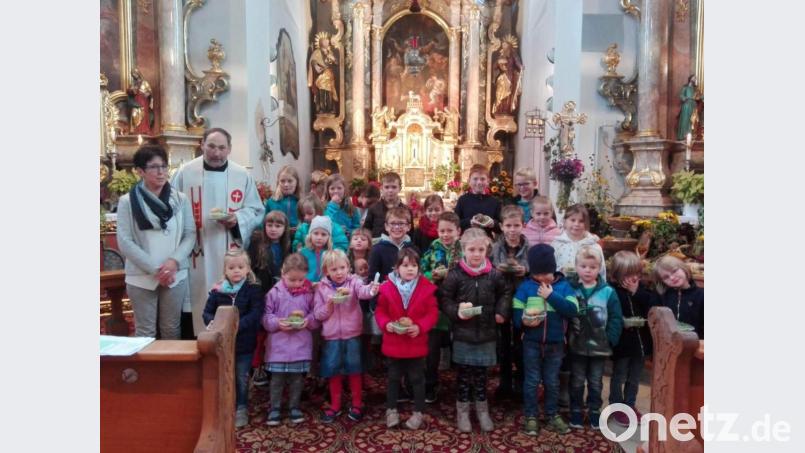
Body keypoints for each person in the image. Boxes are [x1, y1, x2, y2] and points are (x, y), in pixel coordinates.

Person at [172, 127, 265, 336]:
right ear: (202, 145)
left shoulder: (241, 175)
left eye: (222, 147)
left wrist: (237, 220)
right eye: (212, 146)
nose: (216, 153)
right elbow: (171, 207)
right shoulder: (185, 173)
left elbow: (256, 210)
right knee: (195, 309)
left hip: (229, 251)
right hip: (195, 251)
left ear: (229, 149)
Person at [117, 145, 196, 339]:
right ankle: (146, 371)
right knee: (145, 331)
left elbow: (190, 234)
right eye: (154, 167)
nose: (161, 172)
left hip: (175, 273)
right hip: (141, 274)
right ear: (140, 171)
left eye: (164, 166)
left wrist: (173, 262)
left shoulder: (181, 199)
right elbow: (125, 241)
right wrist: (157, 270)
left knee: (171, 329)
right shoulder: (128, 202)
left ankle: (172, 371)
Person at [441, 228, 512, 433]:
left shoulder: (494, 273)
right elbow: (444, 299)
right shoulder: (455, 274)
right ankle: (462, 410)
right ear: (463, 249)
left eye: (481, 249)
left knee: (482, 375)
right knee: (463, 375)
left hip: (487, 333)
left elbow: (506, 292)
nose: (476, 254)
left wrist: (501, 311)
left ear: (487, 250)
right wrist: (456, 311)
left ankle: (482, 409)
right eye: (471, 249)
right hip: (464, 333)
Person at [512, 244, 578, 436]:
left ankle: (551, 413)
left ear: (553, 268)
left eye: (546, 273)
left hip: (556, 343)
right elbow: (516, 317)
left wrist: (551, 296)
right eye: (538, 274)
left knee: (552, 381)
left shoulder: (564, 287)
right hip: (531, 343)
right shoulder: (525, 287)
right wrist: (524, 321)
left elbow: (572, 310)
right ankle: (531, 415)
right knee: (531, 380)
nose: (542, 278)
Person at [313, 249, 380, 423]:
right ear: (326, 271)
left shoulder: (354, 282)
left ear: (348, 267)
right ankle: (335, 405)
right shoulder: (321, 288)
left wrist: (373, 290)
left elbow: (364, 292)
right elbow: (318, 315)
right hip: (331, 336)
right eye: (334, 269)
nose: (339, 272)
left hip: (352, 334)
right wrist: (329, 305)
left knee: (354, 369)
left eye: (342, 268)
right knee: (333, 370)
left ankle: (357, 403)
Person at [375, 248, 439, 429]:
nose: (410, 269)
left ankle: (418, 411)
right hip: (394, 342)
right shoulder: (387, 287)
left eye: (414, 265)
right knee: (393, 378)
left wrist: (420, 326)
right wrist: (386, 323)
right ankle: (391, 409)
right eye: (405, 265)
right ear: (396, 268)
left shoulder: (426, 287)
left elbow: (432, 312)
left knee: (417, 379)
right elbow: (380, 310)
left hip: (415, 342)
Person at [202, 250, 264, 428]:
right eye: (231, 267)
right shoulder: (218, 291)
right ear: (225, 270)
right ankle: (225, 405)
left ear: (247, 269)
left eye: (240, 267)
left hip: (244, 342)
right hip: (222, 343)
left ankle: (242, 407)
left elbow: (256, 313)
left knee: (241, 376)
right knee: (224, 374)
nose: (236, 270)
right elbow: (207, 312)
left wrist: (236, 326)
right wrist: (212, 322)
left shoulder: (253, 289)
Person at [567, 246, 623, 430]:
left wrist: (610, 338)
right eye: (583, 266)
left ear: (599, 268)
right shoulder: (570, 288)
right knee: (576, 380)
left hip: (600, 345)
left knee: (595, 381)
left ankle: (594, 411)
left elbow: (615, 317)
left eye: (592, 267)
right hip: (577, 345)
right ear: (576, 266)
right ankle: (575, 410)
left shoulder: (608, 291)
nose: (588, 270)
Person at [262, 253, 318, 425]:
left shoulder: (309, 293)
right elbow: (265, 316)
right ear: (283, 273)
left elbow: (315, 315)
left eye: (300, 280)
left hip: (300, 344)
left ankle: (294, 406)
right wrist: (278, 323)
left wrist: (307, 321)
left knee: (297, 379)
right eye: (291, 279)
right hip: (278, 345)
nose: (296, 283)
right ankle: (275, 408)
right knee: (277, 380)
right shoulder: (274, 293)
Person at [419, 211, 462, 402]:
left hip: (459, 302)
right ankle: (430, 385)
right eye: (442, 230)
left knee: (460, 344)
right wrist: (432, 276)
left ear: (458, 231)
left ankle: (462, 385)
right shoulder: (432, 249)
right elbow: (421, 272)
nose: (445, 234)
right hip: (435, 303)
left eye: (449, 231)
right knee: (432, 348)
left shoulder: (464, 249)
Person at [608, 251, 654, 426]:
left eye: (636, 274)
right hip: (622, 342)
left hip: (641, 343)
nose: (633, 278)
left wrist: (636, 292)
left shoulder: (642, 290)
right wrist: (621, 323)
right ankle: (617, 406)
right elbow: (610, 314)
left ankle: (629, 405)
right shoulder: (612, 291)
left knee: (634, 376)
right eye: (627, 275)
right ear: (616, 276)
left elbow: (651, 305)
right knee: (619, 375)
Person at [247, 210, 292, 387]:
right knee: (260, 331)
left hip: (281, 292)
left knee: (276, 330)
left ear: (285, 228)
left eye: (278, 226)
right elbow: (250, 268)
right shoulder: (257, 244)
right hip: (261, 292)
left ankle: (275, 364)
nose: (273, 229)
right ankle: (257, 365)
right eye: (270, 225)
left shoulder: (287, 245)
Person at [490, 205, 529, 399]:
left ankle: (521, 381)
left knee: (521, 342)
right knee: (504, 342)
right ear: (501, 226)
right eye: (508, 226)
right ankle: (504, 382)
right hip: (502, 298)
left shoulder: (528, 246)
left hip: (523, 298)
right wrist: (499, 270)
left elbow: (532, 267)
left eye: (516, 226)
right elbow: (490, 267)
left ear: (523, 225)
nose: (512, 230)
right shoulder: (496, 247)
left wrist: (525, 270)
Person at [651, 254, 704, 338]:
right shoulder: (662, 296)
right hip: (669, 346)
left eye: (674, 271)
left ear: (683, 268)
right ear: (662, 281)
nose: (672, 277)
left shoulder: (701, 296)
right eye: (666, 277)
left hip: (696, 345)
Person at [551, 204, 606, 280]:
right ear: (564, 221)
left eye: (581, 221)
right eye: (573, 220)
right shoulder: (556, 245)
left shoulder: (594, 246)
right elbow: (550, 271)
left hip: (588, 289)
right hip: (563, 288)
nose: (576, 224)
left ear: (586, 223)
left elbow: (601, 273)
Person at [453, 164, 502, 234]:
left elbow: (501, 227)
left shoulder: (494, 202)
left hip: (487, 240)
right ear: (469, 181)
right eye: (475, 179)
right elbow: (455, 223)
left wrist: (493, 223)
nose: (479, 182)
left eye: (482, 179)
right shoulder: (463, 200)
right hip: (466, 240)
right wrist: (469, 222)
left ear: (488, 181)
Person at [363, 172, 411, 238]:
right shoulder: (373, 208)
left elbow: (410, 233)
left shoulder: (406, 210)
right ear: (381, 188)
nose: (390, 190)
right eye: (387, 187)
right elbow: (366, 231)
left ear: (400, 188)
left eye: (394, 187)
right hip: (378, 245)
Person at [308, 33, 339, 114]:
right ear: (321, 43)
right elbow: (313, 61)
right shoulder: (317, 52)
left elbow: (336, 63)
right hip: (321, 75)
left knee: (329, 92)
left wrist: (333, 58)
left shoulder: (329, 52)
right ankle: (322, 108)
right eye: (325, 41)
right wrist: (316, 66)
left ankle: (330, 107)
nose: (327, 42)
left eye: (327, 41)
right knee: (321, 91)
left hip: (329, 75)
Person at [265, 165, 301, 231]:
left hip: (296, 238)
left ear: (297, 182)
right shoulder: (271, 202)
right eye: (282, 181)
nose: (286, 184)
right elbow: (264, 223)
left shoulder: (301, 202)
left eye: (290, 181)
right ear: (278, 182)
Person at [300, 216, 334, 283]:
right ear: (310, 235)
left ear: (328, 237)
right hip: (306, 287)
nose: (319, 237)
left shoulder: (331, 254)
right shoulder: (303, 253)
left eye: (323, 234)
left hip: (325, 287)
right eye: (316, 233)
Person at [127, 68, 154, 135]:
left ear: (138, 73)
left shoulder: (144, 82)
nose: (134, 75)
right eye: (132, 74)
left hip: (143, 101)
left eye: (135, 73)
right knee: (134, 114)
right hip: (136, 100)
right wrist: (131, 90)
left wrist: (147, 94)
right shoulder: (133, 84)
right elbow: (129, 92)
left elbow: (150, 92)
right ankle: (136, 129)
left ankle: (144, 129)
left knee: (143, 114)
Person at [676, 75, 699, 141]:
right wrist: (685, 98)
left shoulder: (696, 89)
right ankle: (684, 135)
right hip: (686, 105)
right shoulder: (685, 87)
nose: (695, 79)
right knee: (685, 120)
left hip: (694, 105)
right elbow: (681, 95)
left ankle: (691, 135)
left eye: (696, 78)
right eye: (694, 77)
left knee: (692, 120)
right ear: (690, 78)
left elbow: (699, 96)